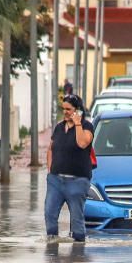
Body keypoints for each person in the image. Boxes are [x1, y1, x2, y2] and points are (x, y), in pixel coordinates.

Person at [45, 94, 94, 242]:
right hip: (56, 181)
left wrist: (78, 123)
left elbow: (82, 143)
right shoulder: (59, 127)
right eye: (63, 109)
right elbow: (50, 149)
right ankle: (52, 248)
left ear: (78, 110)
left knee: (77, 220)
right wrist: (50, 171)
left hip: (78, 181)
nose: (65, 112)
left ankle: (78, 255)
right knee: (49, 213)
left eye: (69, 109)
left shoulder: (87, 126)